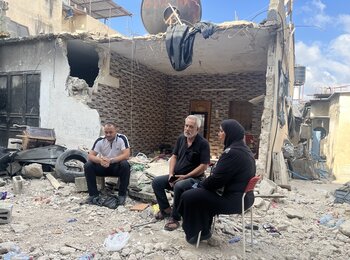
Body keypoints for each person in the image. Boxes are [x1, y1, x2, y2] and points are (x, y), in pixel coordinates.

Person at [178, 119, 256, 244]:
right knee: (199, 193)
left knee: (189, 195)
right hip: (244, 198)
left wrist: (201, 185)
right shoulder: (244, 150)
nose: (218, 134)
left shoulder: (232, 153)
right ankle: (203, 229)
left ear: (230, 133)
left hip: (234, 201)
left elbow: (216, 181)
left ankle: (197, 233)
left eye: (221, 131)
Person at [152, 115, 210, 231]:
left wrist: (186, 176)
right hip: (177, 176)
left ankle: (175, 218)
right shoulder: (181, 139)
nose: (187, 129)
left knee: (179, 185)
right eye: (186, 126)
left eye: (191, 127)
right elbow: (174, 157)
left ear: (197, 129)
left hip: (194, 180)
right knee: (156, 182)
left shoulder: (203, 143)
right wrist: (170, 174)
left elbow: (204, 166)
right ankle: (166, 209)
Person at [83, 122, 131, 206]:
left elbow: (126, 155)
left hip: (116, 167)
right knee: (88, 165)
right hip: (103, 166)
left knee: (125, 164)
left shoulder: (122, 138)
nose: (108, 134)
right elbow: (90, 155)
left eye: (111, 132)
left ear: (116, 130)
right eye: (106, 132)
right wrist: (100, 161)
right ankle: (93, 195)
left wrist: (111, 160)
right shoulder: (100, 140)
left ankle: (122, 195)